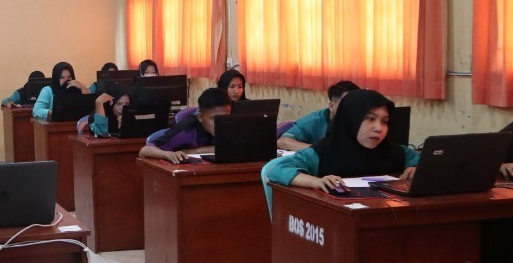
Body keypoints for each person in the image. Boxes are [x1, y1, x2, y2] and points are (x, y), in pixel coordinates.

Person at [261, 88, 421, 213]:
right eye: (370, 119)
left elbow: (423, 160)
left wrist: (416, 169)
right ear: (351, 119)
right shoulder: (324, 152)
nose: (379, 128)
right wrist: (316, 181)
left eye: (385, 121)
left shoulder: (393, 151)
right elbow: (277, 170)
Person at [139, 88, 231, 163]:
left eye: (225, 118)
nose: (220, 124)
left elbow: (229, 148)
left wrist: (192, 151)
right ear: (200, 117)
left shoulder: (233, 124)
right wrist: (168, 154)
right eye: (214, 119)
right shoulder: (185, 129)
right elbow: (144, 151)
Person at [277, 80, 360, 151]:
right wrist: (318, 150)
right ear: (331, 106)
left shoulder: (362, 120)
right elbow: (282, 142)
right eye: (346, 104)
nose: (352, 109)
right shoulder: (314, 121)